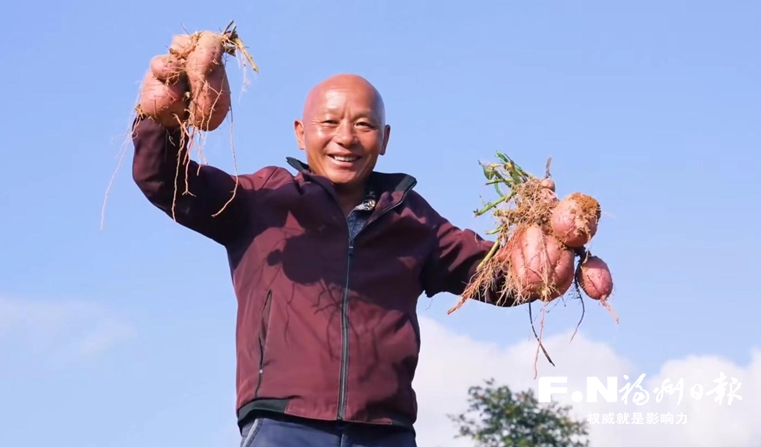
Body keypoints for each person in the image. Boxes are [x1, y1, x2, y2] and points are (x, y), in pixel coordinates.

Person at [131, 68, 529, 446]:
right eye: (329, 123)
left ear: (385, 138)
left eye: (363, 124)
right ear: (301, 134)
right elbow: (168, 181)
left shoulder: (413, 218)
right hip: (283, 424)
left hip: (385, 432)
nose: (346, 138)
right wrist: (161, 118)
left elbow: (500, 276)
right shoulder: (263, 200)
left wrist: (550, 243)